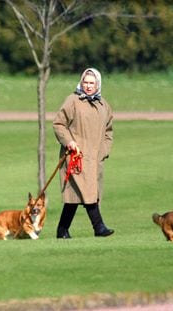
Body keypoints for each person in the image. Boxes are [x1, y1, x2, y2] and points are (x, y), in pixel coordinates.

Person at [53, 68, 114, 239]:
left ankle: (62, 230)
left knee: (77, 196)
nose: (88, 86)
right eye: (85, 82)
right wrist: (69, 142)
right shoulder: (72, 101)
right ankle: (99, 227)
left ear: (97, 84)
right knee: (88, 193)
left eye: (91, 83)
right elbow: (59, 124)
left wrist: (104, 150)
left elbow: (109, 131)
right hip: (75, 157)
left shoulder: (104, 106)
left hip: (95, 159)